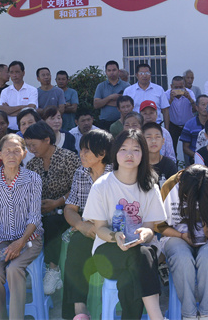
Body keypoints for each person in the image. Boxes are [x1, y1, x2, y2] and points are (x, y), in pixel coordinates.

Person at [82, 129, 168, 320]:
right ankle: (157, 317)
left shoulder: (150, 187)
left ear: (143, 154)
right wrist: (115, 237)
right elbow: (100, 228)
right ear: (115, 153)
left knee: (133, 269)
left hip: (142, 249)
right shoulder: (102, 185)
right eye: (123, 149)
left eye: (136, 149)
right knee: (141, 256)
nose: (129, 154)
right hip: (108, 251)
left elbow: (150, 228)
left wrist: (144, 234)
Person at [0, 133, 44, 320]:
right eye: (7, 151)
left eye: (16, 151)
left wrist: (20, 242)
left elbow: (35, 217)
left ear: (24, 154)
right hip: (1, 241)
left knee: (14, 269)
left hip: (30, 239)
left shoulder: (33, 179)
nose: (11, 155)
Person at [157, 165, 208, 320]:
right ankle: (188, 314)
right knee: (182, 259)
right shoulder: (169, 186)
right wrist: (182, 235)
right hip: (177, 235)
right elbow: (160, 226)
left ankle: (206, 313)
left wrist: (204, 231)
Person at [23, 121, 80, 295]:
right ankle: (30, 269)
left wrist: (57, 202)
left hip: (69, 211)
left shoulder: (69, 158)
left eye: (33, 144)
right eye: (28, 145)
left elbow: (79, 188)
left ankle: (53, 270)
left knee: (53, 222)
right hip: (42, 212)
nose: (31, 149)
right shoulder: (32, 165)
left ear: (47, 140)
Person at [63, 130, 114, 320]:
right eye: (81, 149)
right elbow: (70, 208)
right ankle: (79, 309)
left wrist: (100, 226)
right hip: (89, 230)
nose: (81, 154)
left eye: (86, 150)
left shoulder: (116, 174)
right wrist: (80, 225)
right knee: (76, 244)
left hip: (112, 231)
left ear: (101, 154)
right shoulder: (81, 173)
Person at [124, 63, 171, 128]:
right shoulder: (128, 91)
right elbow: (124, 110)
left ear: (150, 74)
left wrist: (167, 129)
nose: (144, 76)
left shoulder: (159, 89)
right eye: (141, 73)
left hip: (155, 126)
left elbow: (165, 110)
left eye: (147, 73)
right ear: (137, 75)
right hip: (136, 126)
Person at [0, 61, 38, 132]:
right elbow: (2, 110)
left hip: (28, 129)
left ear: (23, 73)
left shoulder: (32, 90)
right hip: (10, 130)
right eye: (11, 72)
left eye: (17, 72)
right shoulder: (5, 91)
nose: (14, 75)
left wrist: (9, 111)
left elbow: (30, 109)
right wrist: (22, 107)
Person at [93, 60, 130, 131]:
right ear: (106, 72)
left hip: (122, 122)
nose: (112, 72)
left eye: (114, 70)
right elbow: (96, 105)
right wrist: (110, 98)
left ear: (118, 71)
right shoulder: (101, 86)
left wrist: (104, 102)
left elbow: (129, 104)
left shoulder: (126, 86)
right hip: (105, 123)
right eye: (109, 70)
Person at [165, 75, 196, 153]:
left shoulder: (190, 93)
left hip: (187, 125)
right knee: (171, 149)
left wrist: (189, 98)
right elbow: (164, 111)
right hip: (173, 125)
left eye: (181, 87)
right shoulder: (167, 94)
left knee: (190, 148)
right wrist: (171, 100)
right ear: (171, 86)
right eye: (176, 87)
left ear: (184, 86)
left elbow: (196, 109)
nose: (178, 90)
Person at [180, 95, 208, 164]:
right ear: (197, 107)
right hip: (195, 159)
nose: (206, 107)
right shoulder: (189, 124)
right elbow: (185, 148)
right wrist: (198, 157)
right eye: (203, 104)